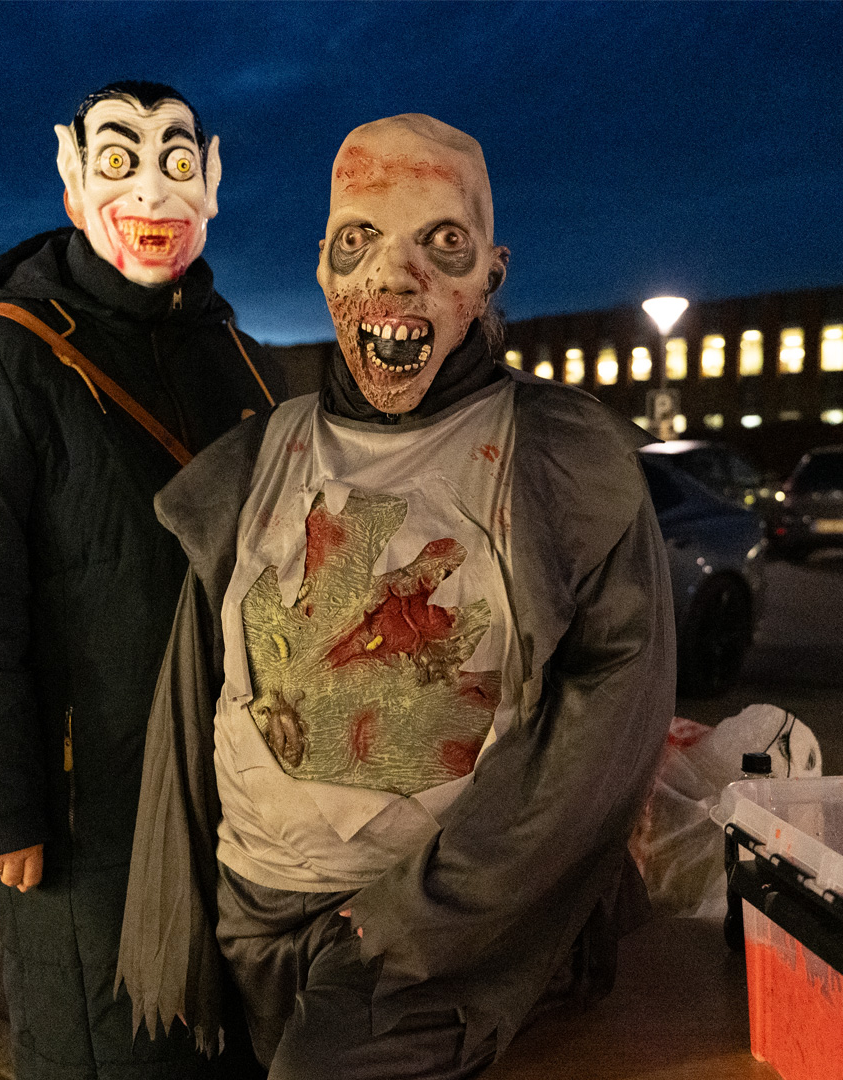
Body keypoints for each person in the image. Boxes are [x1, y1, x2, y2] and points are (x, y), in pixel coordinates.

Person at [119, 113, 676, 1079]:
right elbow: (201, 695)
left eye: (442, 241)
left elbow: (607, 729)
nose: (393, 274)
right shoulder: (257, 457)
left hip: (442, 943)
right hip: (256, 912)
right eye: (360, 238)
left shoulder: (561, 457)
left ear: (491, 273)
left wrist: (417, 915)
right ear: (322, 266)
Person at [0, 81, 282, 1079]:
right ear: (73, 182)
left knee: (235, 1043)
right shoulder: (0, 362)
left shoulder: (244, 360)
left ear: (213, 180)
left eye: (177, 161)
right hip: (90, 805)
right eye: (119, 161)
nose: (152, 194)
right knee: (110, 1043)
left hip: (244, 792)